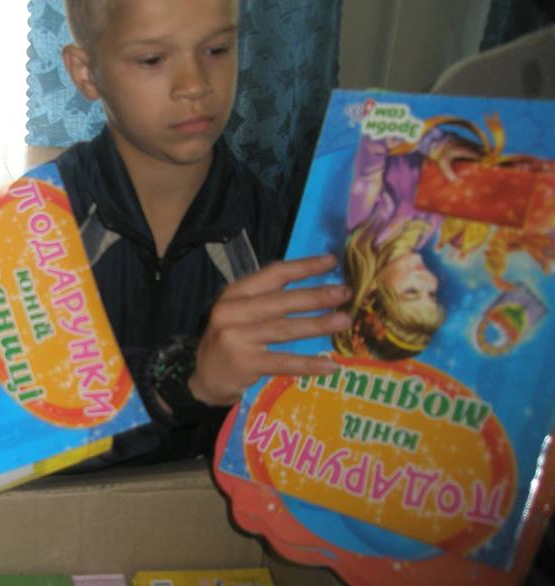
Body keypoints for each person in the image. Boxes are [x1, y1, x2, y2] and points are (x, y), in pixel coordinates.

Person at [53, 0, 349, 466]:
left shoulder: (282, 232)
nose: (195, 85)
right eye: (152, 59)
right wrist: (183, 384)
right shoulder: (33, 224)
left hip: (202, 505)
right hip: (63, 506)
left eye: (216, 50)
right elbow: (5, 433)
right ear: (85, 72)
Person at [331, 217, 444, 360]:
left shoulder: (367, 220)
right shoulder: (426, 232)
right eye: (431, 294)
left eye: (411, 291)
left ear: (373, 292)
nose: (427, 281)